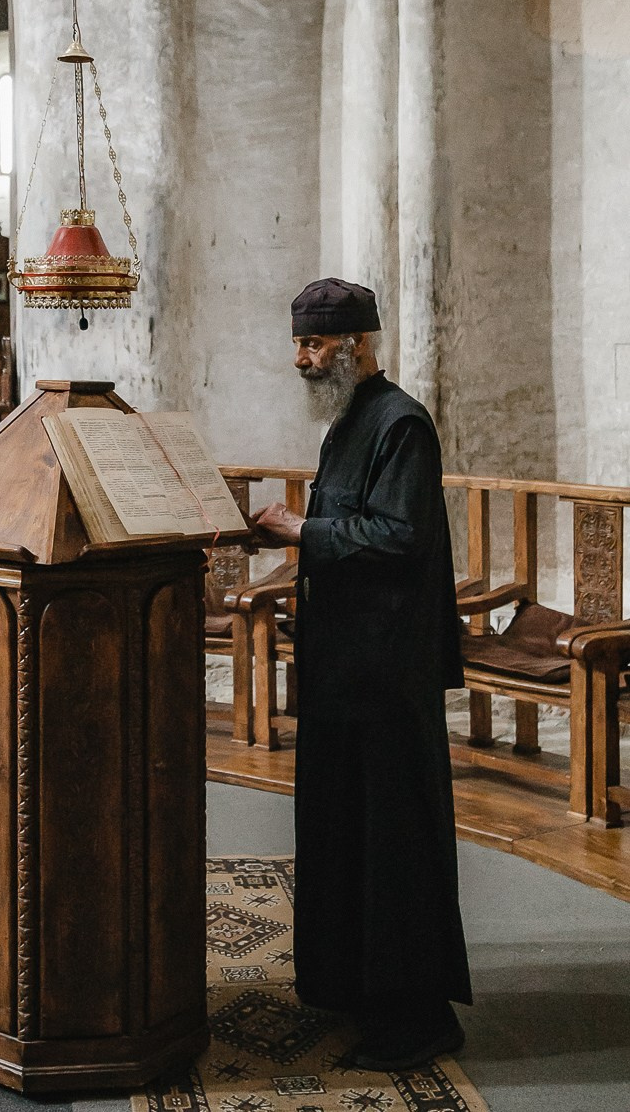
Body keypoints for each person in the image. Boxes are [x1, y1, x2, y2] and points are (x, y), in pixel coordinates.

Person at [253, 276, 472, 1071]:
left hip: (386, 674)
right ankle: (355, 989)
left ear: (355, 347)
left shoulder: (401, 423)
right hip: (344, 669)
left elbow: (399, 537)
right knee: (344, 831)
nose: (301, 361)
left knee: (393, 847)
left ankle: (418, 1018)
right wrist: (278, 534)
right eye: (299, 346)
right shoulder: (347, 422)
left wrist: (299, 527)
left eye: (312, 346)